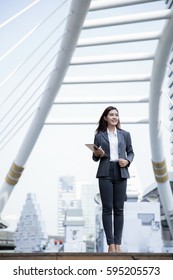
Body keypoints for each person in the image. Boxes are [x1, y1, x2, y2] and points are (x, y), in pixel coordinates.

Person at [92, 106, 134, 253]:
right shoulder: (99, 135)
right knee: (107, 209)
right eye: (111, 115)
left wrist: (127, 161)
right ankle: (110, 244)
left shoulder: (125, 134)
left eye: (116, 115)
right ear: (105, 118)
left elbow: (131, 152)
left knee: (119, 209)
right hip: (105, 172)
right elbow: (94, 158)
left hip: (121, 171)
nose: (115, 117)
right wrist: (97, 153)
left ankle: (118, 244)